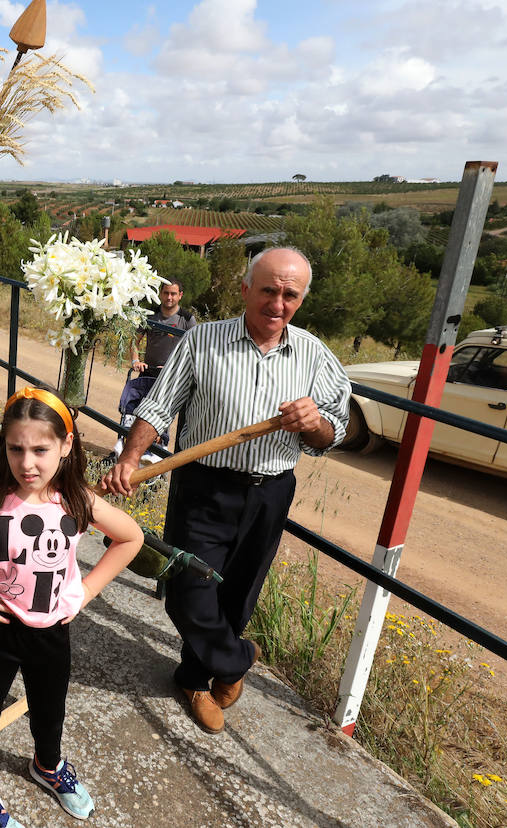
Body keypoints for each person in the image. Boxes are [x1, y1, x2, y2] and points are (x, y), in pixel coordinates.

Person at [100, 247, 350, 735]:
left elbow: (338, 429)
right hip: (204, 486)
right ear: (245, 290)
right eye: (269, 290)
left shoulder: (314, 354)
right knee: (186, 591)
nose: (278, 303)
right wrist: (130, 457)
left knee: (237, 595)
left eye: (290, 294)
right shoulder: (202, 341)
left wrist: (316, 423)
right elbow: (158, 405)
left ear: (301, 299)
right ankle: (236, 659)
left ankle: (196, 679)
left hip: (270, 492)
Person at [0, 388, 144, 827]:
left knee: (51, 710)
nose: (27, 463)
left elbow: (131, 537)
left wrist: (86, 591)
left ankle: (47, 767)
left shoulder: (77, 501)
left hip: (53, 630)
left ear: (66, 447)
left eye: (40, 449)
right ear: (3, 447)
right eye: (16, 449)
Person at [115, 279, 195, 454]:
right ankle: (127, 450)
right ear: (160, 294)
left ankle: (156, 454)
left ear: (180, 296)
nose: (169, 297)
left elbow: (194, 349)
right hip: (147, 372)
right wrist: (136, 361)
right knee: (136, 412)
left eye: (173, 293)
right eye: (166, 293)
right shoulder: (149, 315)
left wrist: (172, 368)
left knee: (161, 419)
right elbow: (134, 342)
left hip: (170, 377)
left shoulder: (187, 319)